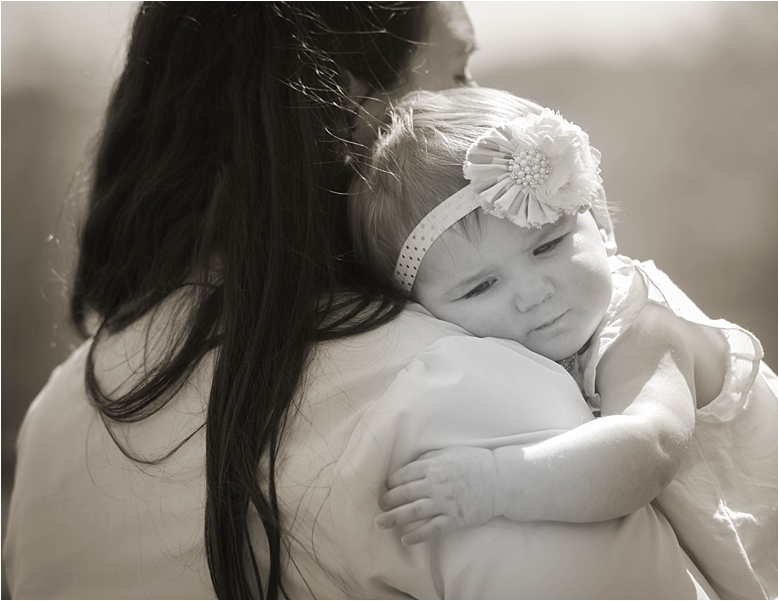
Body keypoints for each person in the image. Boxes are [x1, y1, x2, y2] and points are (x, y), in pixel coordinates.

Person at [4, 3, 719, 599]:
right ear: (354, 108)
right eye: (458, 71)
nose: (477, 108)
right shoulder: (459, 387)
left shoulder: (54, 426)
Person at [350, 87, 778, 600]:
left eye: (548, 246)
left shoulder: (641, 328)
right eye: (481, 286)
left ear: (598, 217)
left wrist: (497, 482)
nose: (534, 293)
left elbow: (647, 449)